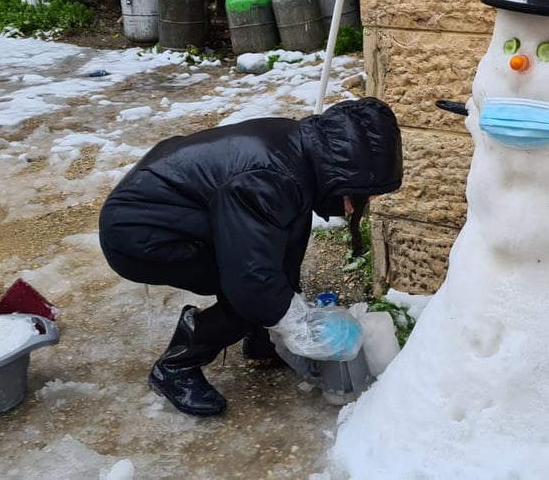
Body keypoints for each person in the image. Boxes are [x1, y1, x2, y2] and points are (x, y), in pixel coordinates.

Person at [98, 97, 403, 416]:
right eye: (367, 191)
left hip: (178, 209)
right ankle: (177, 367)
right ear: (347, 170)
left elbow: (281, 243)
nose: (368, 200)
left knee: (268, 274)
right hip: (139, 231)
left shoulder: (301, 155)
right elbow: (252, 280)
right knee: (250, 294)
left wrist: (283, 319)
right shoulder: (272, 177)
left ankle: (261, 343)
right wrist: (293, 322)